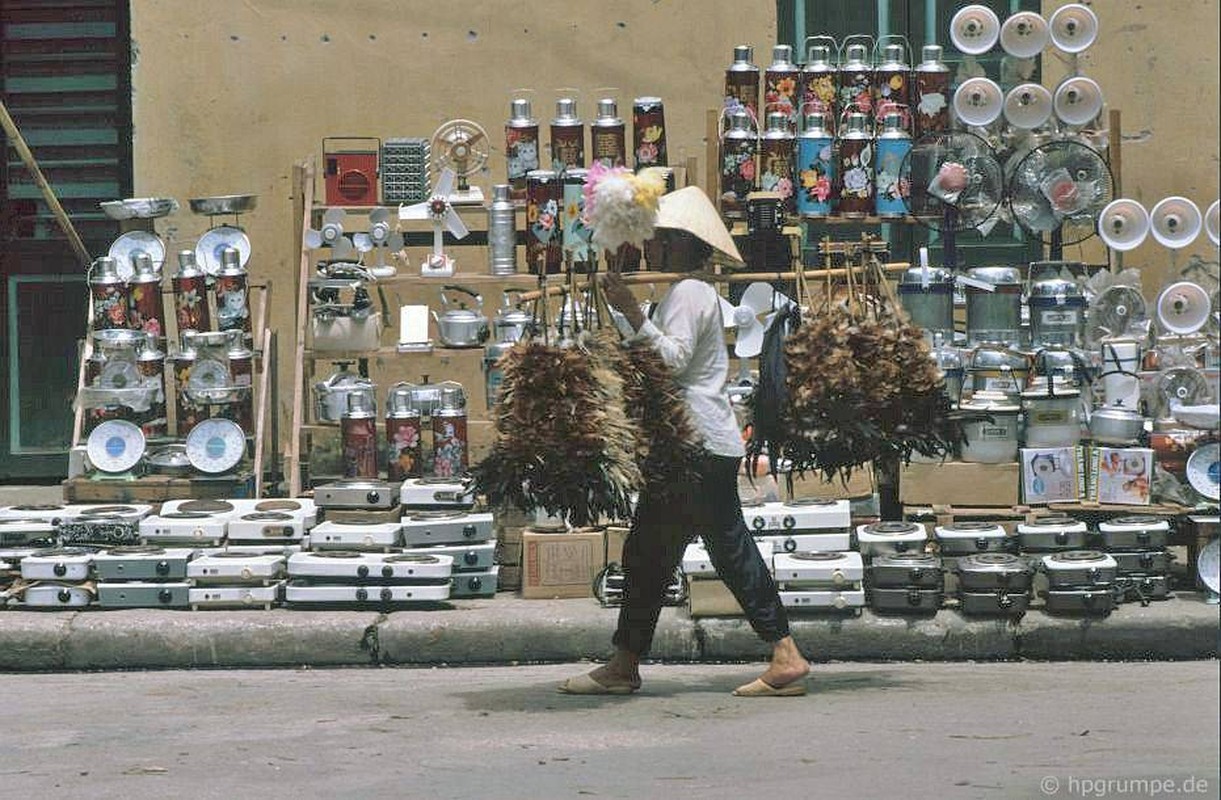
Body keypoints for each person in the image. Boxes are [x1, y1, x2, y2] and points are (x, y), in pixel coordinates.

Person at [557, 186, 810, 697]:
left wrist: (631, 312)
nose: (649, 249)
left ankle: (785, 654)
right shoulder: (682, 294)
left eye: (658, 241)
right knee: (651, 552)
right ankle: (625, 663)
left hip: (698, 445)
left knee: (722, 550)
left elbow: (669, 363)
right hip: (692, 446)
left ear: (679, 244)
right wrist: (629, 313)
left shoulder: (690, 293)